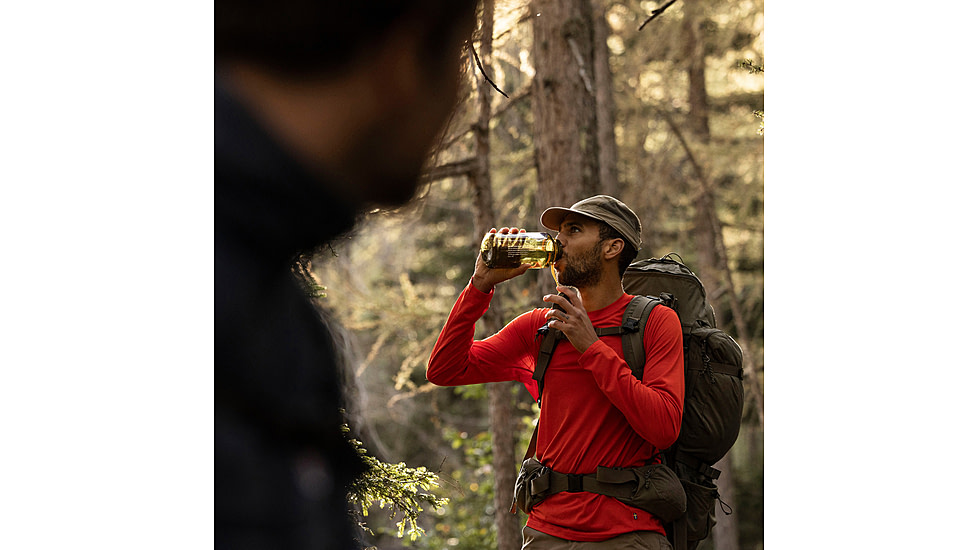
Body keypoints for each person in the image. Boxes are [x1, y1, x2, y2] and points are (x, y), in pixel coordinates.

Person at [215, 2, 478, 548]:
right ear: (405, 56)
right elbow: (448, 366)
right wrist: (481, 287)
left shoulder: (267, 284)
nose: (461, 97)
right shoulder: (235, 282)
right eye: (461, 58)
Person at [427, 195, 685, 549]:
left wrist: (591, 348)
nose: (558, 240)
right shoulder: (542, 327)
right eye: (558, 231)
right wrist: (479, 286)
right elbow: (444, 369)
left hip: (627, 534)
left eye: (574, 230)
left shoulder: (655, 322)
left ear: (613, 247)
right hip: (545, 534)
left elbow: (664, 427)